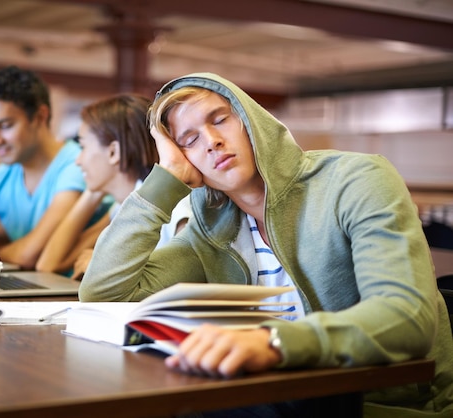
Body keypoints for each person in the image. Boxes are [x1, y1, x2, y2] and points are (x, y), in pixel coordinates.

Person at [79, 72, 453, 416]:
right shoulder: (211, 229)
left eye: (221, 119)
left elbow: (407, 318)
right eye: (189, 141)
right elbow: (105, 291)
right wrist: (165, 180)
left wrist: (272, 343)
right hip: (271, 399)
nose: (212, 142)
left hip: (384, 406)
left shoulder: (355, 180)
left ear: (251, 118)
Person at [36, 94, 191, 278]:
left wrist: (106, 265)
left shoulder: (176, 209)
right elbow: (48, 265)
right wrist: (91, 193)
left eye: (83, 147)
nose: (78, 160)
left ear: (113, 152)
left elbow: (186, 279)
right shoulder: (122, 205)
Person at [0, 66, 108, 269]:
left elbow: (30, 254)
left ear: (40, 116)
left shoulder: (77, 165)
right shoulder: (6, 173)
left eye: (6, 126)